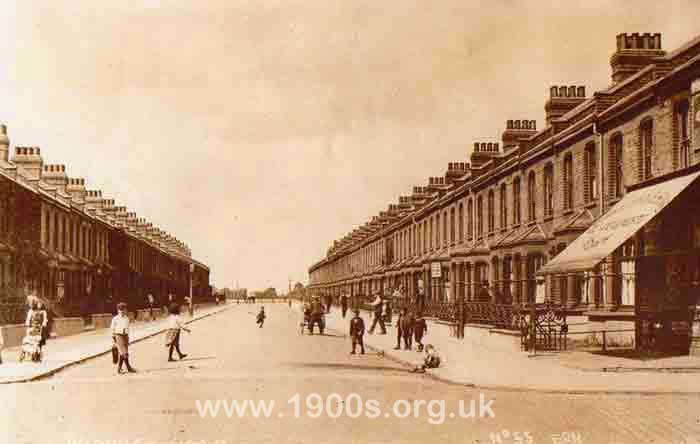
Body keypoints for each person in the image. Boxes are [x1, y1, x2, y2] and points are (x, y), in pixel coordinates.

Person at [111, 303, 136, 374]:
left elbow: (127, 328)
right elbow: (112, 328)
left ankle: (120, 369)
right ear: (118, 310)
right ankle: (128, 368)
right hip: (118, 336)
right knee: (124, 353)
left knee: (124, 353)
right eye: (120, 310)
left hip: (125, 336)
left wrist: (128, 337)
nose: (122, 311)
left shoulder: (126, 318)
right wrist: (113, 338)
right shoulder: (115, 319)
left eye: (123, 310)